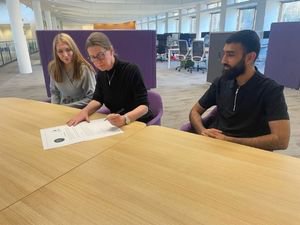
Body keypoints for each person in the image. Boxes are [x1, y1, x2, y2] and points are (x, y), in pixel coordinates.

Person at [189, 30, 290, 151]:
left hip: (246, 153)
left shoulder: (270, 90)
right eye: (224, 54)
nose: (223, 61)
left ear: (250, 57)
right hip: (215, 147)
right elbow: (195, 111)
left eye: (230, 55)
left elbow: (281, 140)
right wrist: (202, 131)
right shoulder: (221, 82)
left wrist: (228, 140)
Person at [67, 32, 153, 127]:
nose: (97, 61)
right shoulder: (101, 74)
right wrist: (84, 111)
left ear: (111, 50)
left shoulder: (131, 70)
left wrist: (125, 119)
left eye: (101, 55)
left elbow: (144, 107)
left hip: (138, 121)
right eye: (93, 57)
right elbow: (98, 99)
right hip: (117, 123)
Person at [48, 33, 96, 109]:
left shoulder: (84, 68)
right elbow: (54, 92)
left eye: (68, 50)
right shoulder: (53, 68)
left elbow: (92, 97)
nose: (65, 55)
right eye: (60, 51)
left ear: (73, 49)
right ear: (56, 53)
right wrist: (55, 108)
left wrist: (66, 107)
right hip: (62, 107)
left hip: (82, 109)